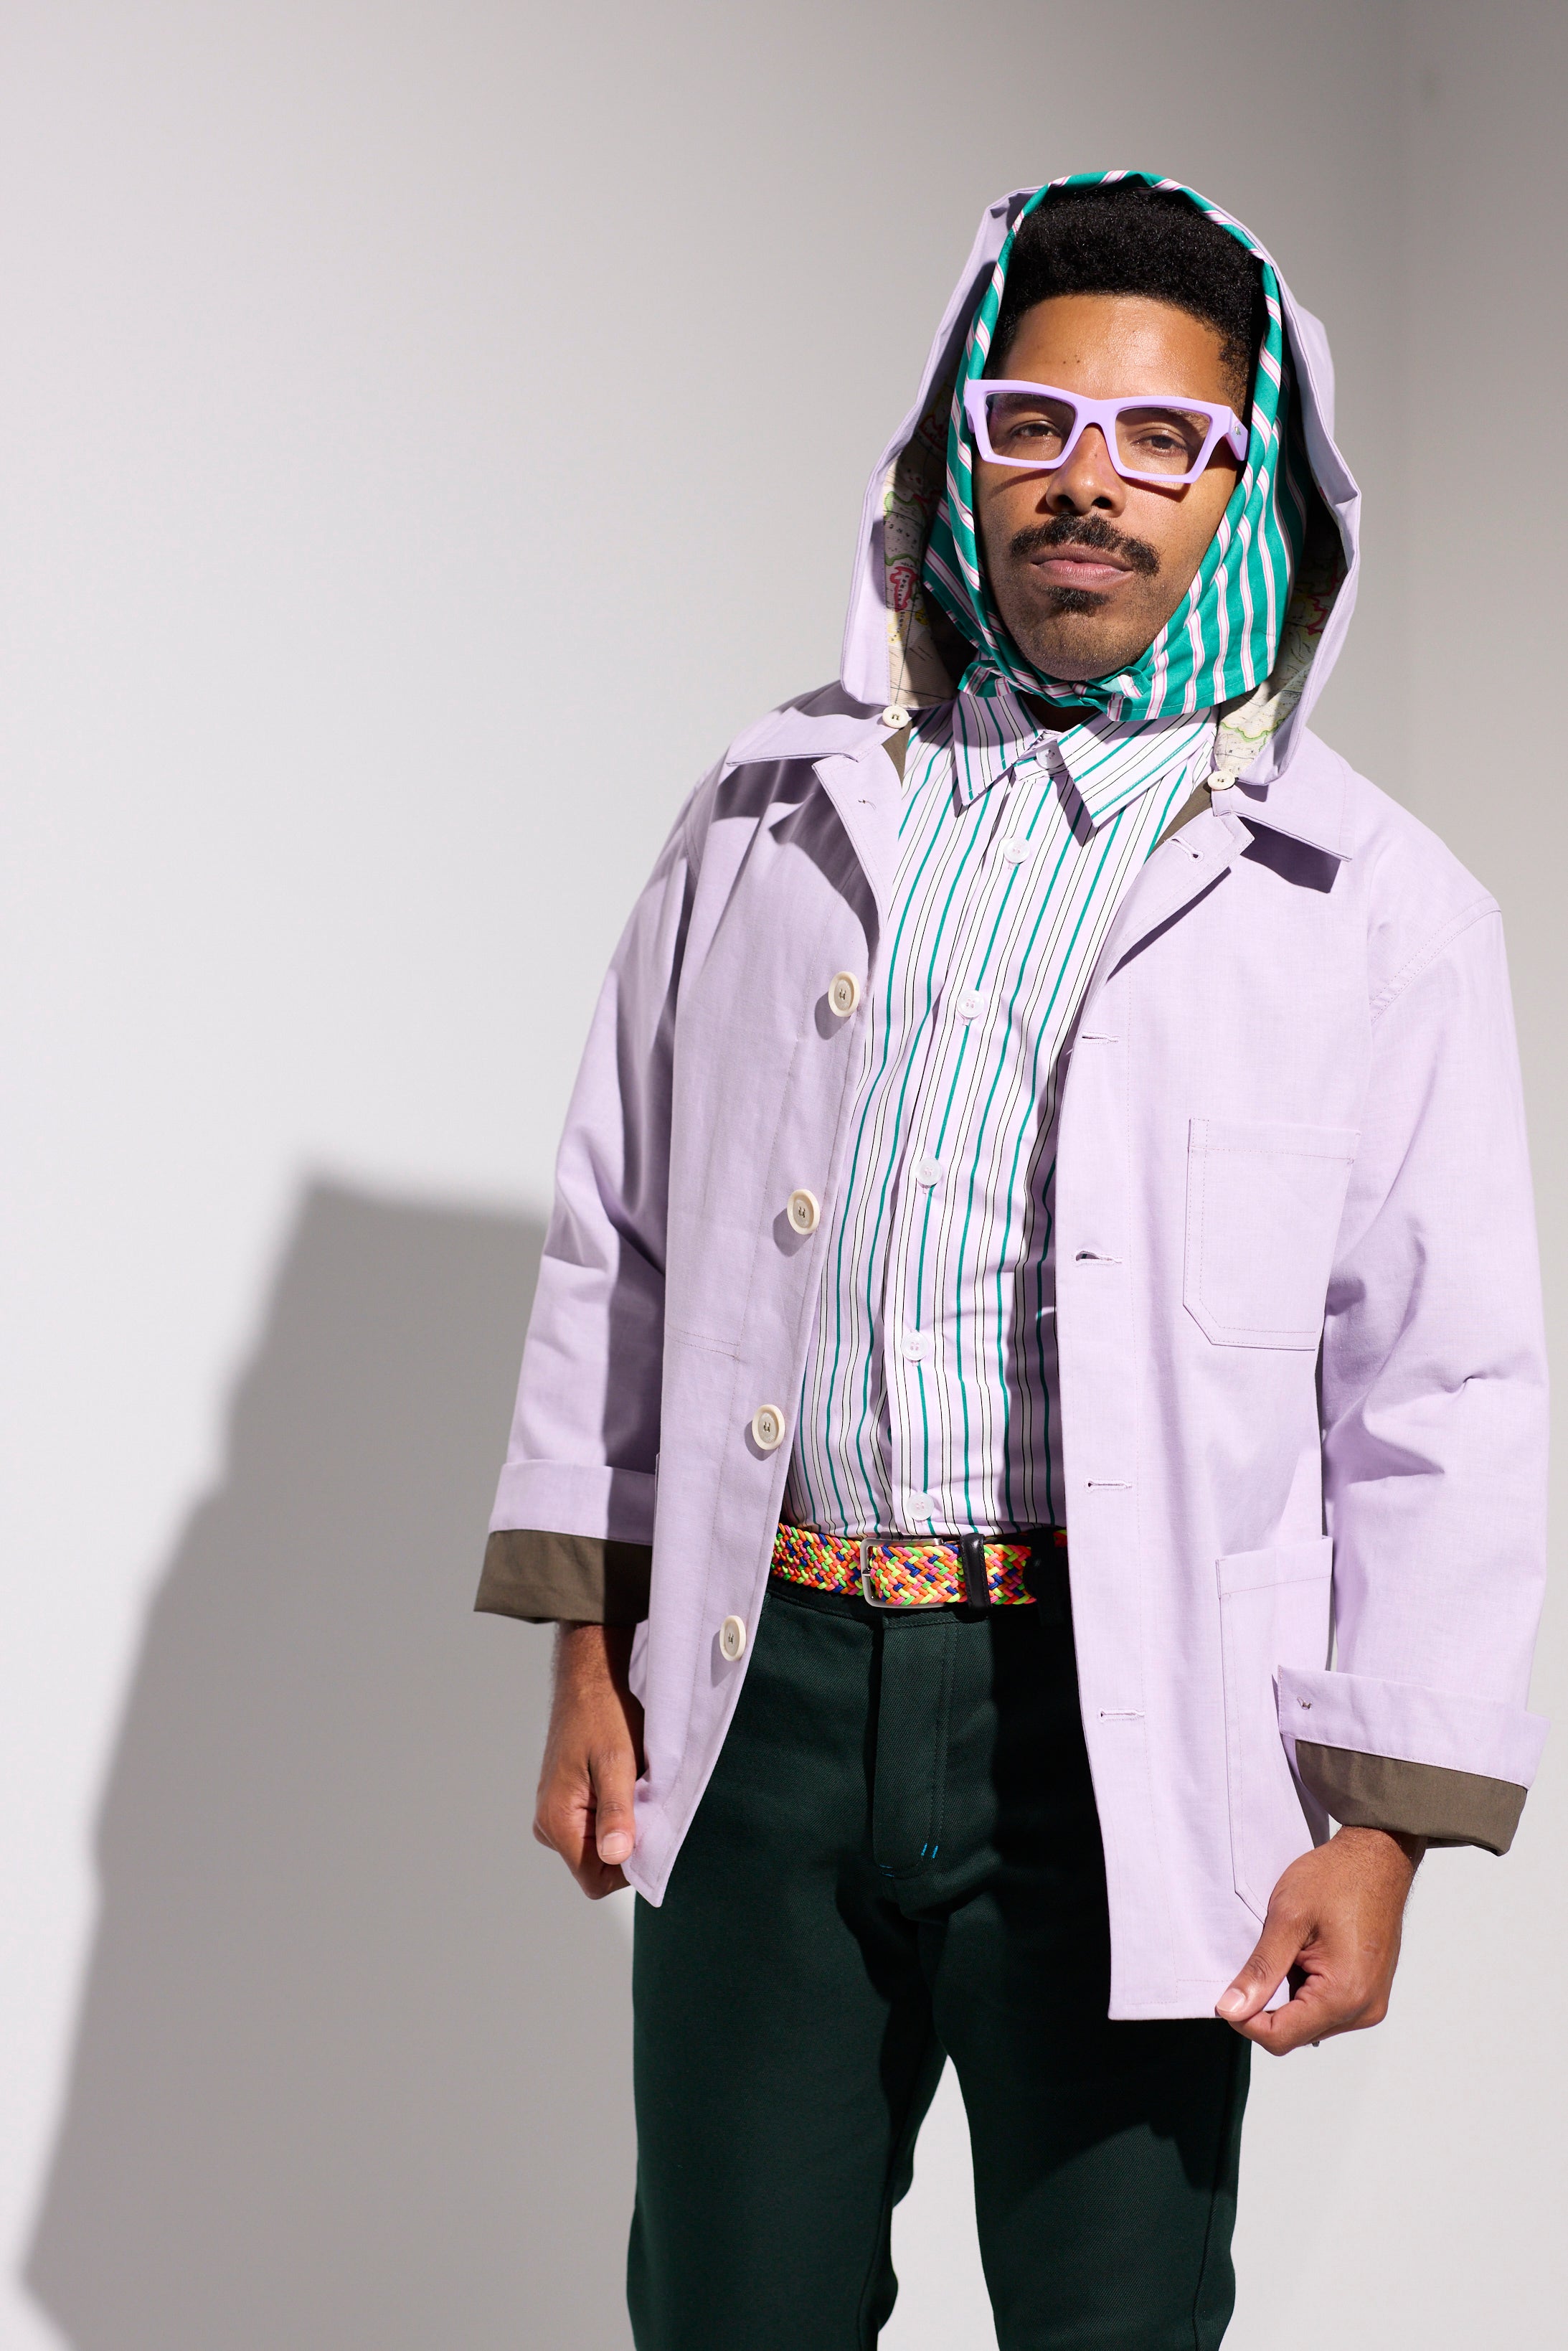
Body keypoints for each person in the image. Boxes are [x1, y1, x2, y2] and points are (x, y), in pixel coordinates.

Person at [476, 174, 1549, 2349]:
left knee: (1115, 2320)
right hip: (763, 1701)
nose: (1089, 482)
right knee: (729, 2314)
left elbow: (1439, 1386)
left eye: (1162, 439)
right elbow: (623, 1235)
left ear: (1246, 486)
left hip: (1117, 1724)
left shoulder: (1375, 907)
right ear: (955, 449)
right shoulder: (765, 815)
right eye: (1036, 423)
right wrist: (590, 1650)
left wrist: (1382, 1831)